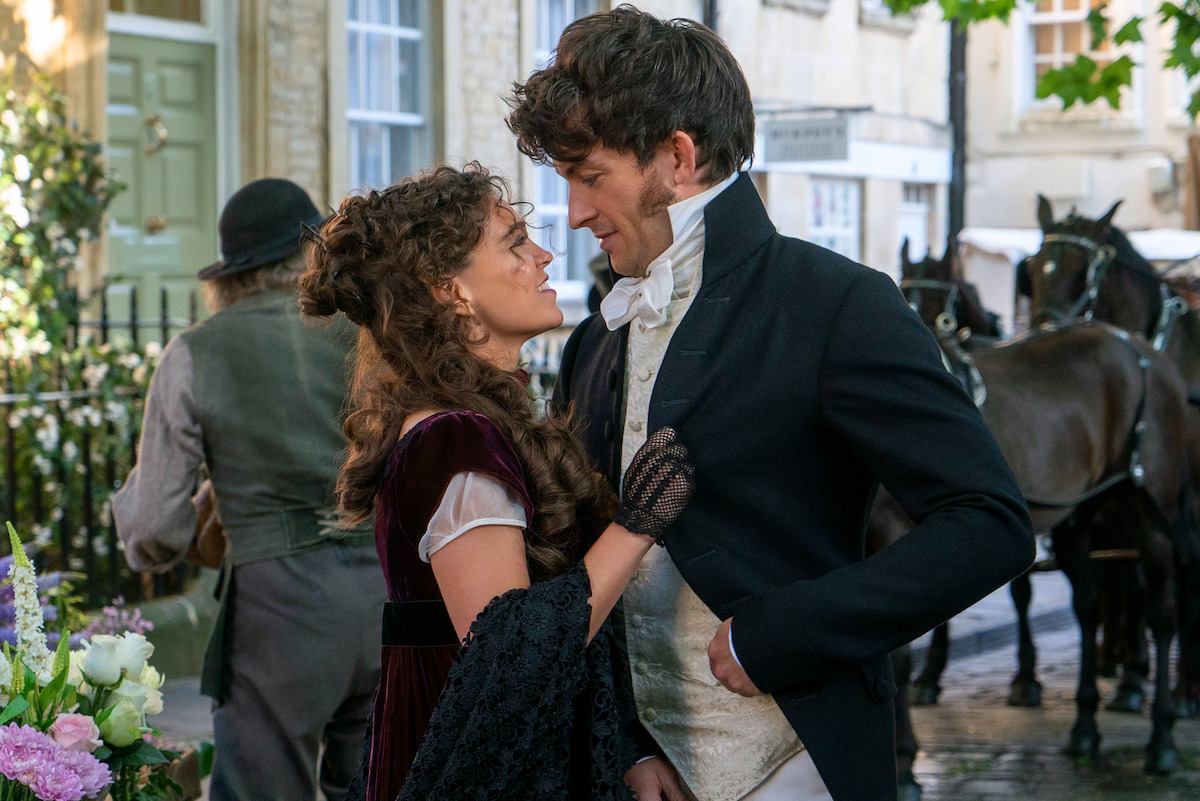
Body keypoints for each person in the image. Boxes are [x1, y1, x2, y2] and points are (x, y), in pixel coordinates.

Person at [506, 6, 1036, 801]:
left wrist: (785, 631)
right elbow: (594, 570)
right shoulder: (595, 341)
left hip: (802, 760)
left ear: (678, 158)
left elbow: (989, 523)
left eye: (589, 176)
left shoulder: (836, 303)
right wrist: (623, 741)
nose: (575, 213)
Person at [296, 163, 695, 801]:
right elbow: (512, 660)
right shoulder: (453, 438)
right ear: (449, 288)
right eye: (514, 242)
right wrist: (638, 524)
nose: (545, 253)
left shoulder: (469, 422)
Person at [112, 178, 386, 801]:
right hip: (385, 591)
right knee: (375, 782)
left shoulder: (197, 352)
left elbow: (154, 523)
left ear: (232, 273)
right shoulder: (372, 333)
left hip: (277, 607)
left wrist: (164, 543)